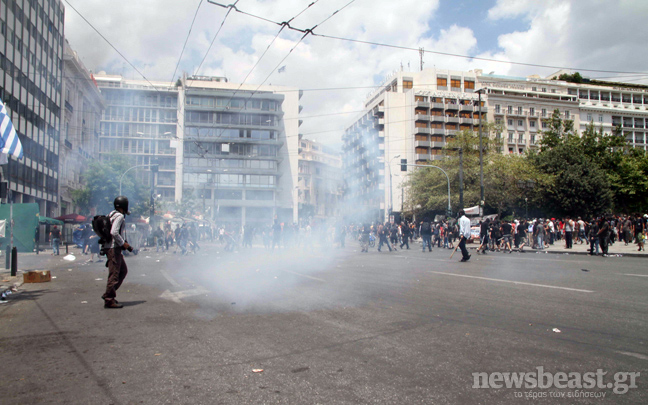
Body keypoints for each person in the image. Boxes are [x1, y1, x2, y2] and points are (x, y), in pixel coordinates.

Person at [102, 196, 133, 309]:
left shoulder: (110, 214)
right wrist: (123, 243)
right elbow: (114, 232)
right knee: (115, 274)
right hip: (113, 248)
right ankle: (109, 299)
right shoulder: (119, 216)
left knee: (123, 271)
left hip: (110, 247)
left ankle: (108, 294)